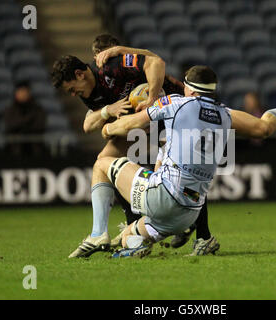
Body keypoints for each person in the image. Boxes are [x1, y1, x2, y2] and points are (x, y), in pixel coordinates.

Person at [73, 65, 276, 258]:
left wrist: (108, 129)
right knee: (127, 236)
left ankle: (97, 234)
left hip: (163, 196)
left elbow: (130, 125)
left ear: (188, 88)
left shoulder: (175, 103)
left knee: (102, 163)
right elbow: (265, 127)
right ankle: (135, 243)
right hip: (188, 213)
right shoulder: (226, 115)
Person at [90, 35, 219, 255]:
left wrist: (149, 99)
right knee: (171, 173)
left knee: (181, 173)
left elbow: (155, 61)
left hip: (172, 116)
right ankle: (167, 223)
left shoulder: (123, 65)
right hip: (156, 122)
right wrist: (107, 112)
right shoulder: (109, 81)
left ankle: (198, 232)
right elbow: (87, 123)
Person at [4, 81, 46, 157]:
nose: (23, 94)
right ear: (15, 93)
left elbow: (40, 126)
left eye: (25, 91)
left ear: (29, 93)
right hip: (15, 151)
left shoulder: (37, 109)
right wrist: (27, 121)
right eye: (20, 91)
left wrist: (21, 126)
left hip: (35, 151)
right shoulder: (10, 110)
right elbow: (10, 126)